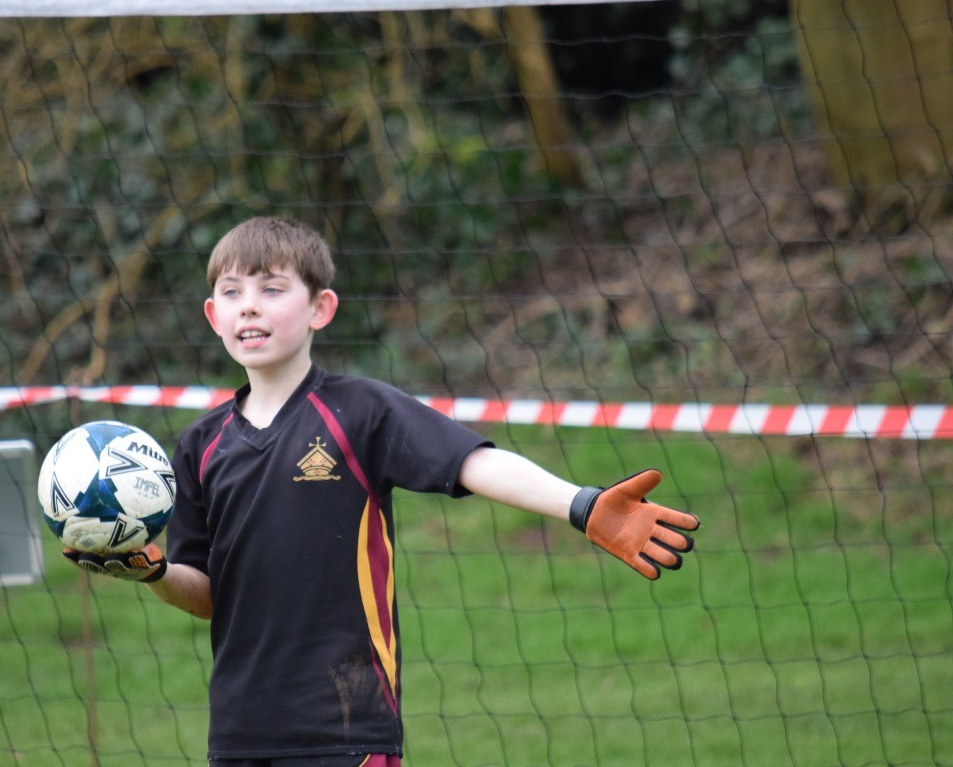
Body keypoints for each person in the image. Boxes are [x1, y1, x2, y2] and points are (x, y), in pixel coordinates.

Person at [64, 216, 700, 767]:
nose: (248, 306)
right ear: (213, 316)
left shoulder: (361, 411)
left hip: (346, 727)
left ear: (320, 308)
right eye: (232, 292)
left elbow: (473, 463)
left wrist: (580, 504)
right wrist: (152, 572)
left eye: (271, 288)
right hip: (238, 734)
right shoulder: (199, 445)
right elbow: (205, 594)